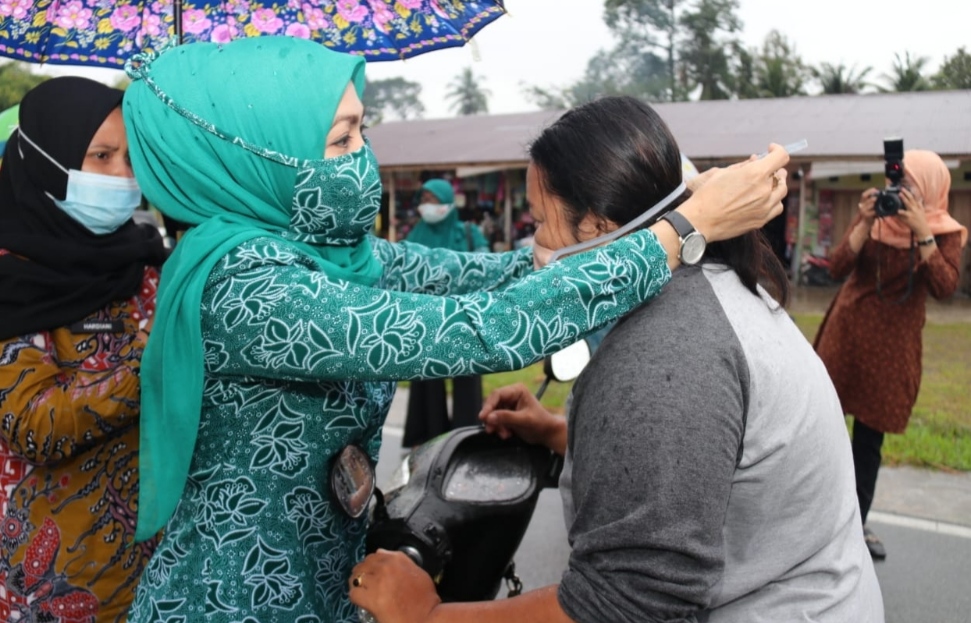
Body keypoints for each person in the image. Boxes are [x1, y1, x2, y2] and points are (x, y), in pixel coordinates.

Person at [120, 37, 788, 622]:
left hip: (323, 566)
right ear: (266, 154)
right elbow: (483, 328)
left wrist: (596, 237)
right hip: (238, 590)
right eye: (340, 140)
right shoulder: (246, 287)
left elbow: (478, 278)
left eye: (362, 131)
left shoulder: (327, 255)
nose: (362, 158)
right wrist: (678, 232)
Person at [349, 96, 883, 623]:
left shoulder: (666, 351)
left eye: (539, 221)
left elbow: (626, 603)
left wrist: (429, 614)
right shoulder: (706, 289)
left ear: (601, 228)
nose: (532, 244)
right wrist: (566, 433)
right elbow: (708, 458)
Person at [0, 77, 166, 622]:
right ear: (48, 161)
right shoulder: (12, 281)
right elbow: (35, 426)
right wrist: (159, 351)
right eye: (101, 156)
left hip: (155, 571)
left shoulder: (144, 265)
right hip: (51, 584)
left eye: (129, 158)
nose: (124, 178)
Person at [813, 150, 967, 560]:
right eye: (899, 186)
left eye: (912, 188)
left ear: (932, 190)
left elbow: (945, 286)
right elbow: (836, 266)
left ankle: (853, 526)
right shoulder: (876, 219)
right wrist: (865, 222)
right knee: (823, 430)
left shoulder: (947, 232)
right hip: (847, 336)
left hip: (892, 350)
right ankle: (812, 519)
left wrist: (924, 232)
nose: (901, 196)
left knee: (869, 441)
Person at [402, 178, 490, 448]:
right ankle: (429, 441)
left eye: (433, 199)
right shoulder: (415, 235)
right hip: (428, 320)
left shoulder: (467, 232)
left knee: (467, 381)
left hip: (465, 319)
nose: (427, 206)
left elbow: (485, 264)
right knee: (428, 382)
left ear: (447, 201)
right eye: (424, 200)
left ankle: (466, 441)